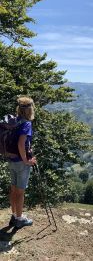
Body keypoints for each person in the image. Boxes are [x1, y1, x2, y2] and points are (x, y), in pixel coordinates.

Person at [6, 96, 37, 228]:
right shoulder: (26, 123)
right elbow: (21, 143)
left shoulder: (14, 121)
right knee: (20, 192)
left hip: (11, 159)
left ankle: (14, 215)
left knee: (13, 189)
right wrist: (27, 161)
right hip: (21, 162)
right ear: (30, 109)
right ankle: (19, 219)